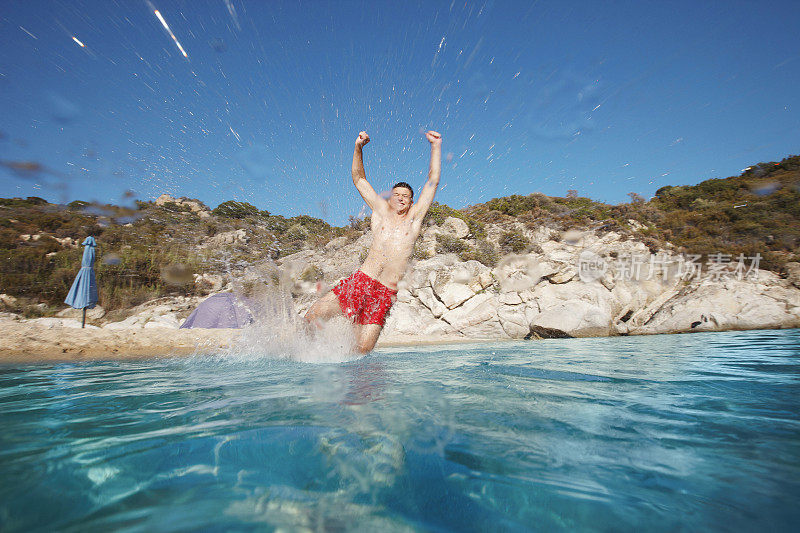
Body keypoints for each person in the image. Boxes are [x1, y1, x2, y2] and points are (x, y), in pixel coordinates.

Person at [305, 129, 442, 353]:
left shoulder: (414, 220)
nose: (400, 197)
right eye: (396, 194)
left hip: (384, 293)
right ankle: (302, 357)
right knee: (313, 316)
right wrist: (358, 147)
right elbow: (359, 179)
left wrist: (435, 146)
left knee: (361, 351)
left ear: (411, 202)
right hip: (361, 281)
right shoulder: (379, 211)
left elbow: (433, 181)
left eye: (405, 196)